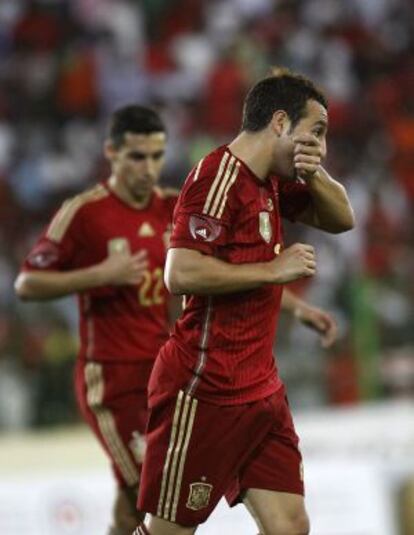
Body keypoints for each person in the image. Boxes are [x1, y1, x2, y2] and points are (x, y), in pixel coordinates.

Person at [133, 69, 354, 535]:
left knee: (291, 527)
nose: (321, 143)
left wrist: (316, 171)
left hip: (261, 390)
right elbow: (180, 272)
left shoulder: (273, 181)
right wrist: (272, 271)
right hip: (204, 388)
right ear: (280, 122)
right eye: (315, 131)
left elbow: (342, 219)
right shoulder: (215, 176)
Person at [14, 105, 180, 535]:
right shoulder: (84, 213)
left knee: (135, 502)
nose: (149, 168)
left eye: (157, 156)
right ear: (111, 152)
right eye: (137, 157)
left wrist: (296, 306)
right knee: (155, 489)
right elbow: (27, 283)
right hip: (111, 378)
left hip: (164, 373)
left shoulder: (173, 207)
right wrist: (99, 275)